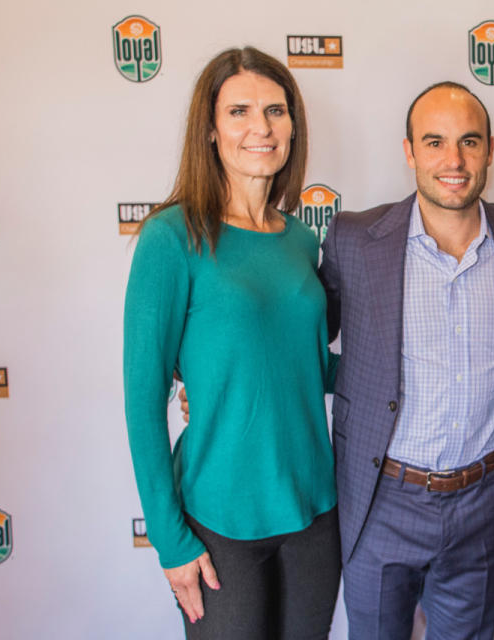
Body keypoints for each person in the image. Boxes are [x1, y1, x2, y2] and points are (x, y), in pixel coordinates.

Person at [123, 47, 339, 640]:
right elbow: (143, 403)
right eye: (239, 111)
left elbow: (311, 366)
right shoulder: (172, 237)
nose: (260, 128)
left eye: (275, 110)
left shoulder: (301, 239)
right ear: (211, 130)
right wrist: (169, 540)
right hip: (218, 522)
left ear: (293, 126)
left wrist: (408, 368)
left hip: (314, 510)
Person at [319, 82, 494, 639]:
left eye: (469, 142)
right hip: (381, 501)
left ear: (491, 150)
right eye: (435, 142)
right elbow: (300, 340)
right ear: (409, 151)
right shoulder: (352, 238)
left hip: (483, 502)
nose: (453, 160)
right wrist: (202, 376)